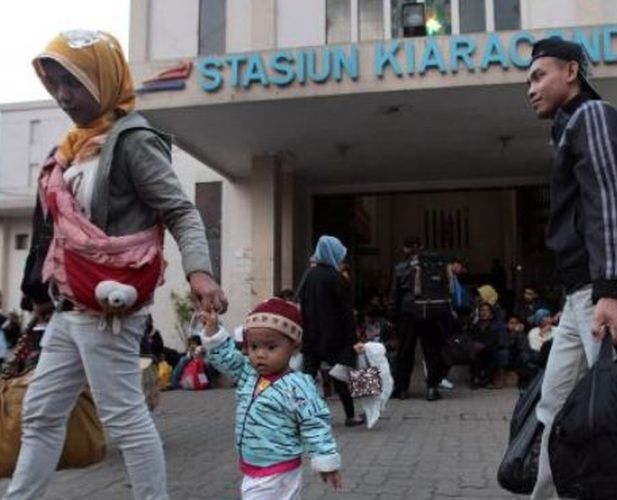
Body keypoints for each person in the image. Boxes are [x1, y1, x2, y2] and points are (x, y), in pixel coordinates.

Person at [5, 30, 226, 500]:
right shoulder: (66, 149)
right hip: (69, 306)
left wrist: (199, 271)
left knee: (123, 417)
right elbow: (54, 232)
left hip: (109, 306)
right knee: (42, 412)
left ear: (105, 80)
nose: (64, 96)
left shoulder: (131, 141)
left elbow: (181, 211)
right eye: (56, 83)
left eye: (76, 82)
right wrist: (41, 293)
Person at [525, 37, 617, 499]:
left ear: (572, 72)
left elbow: (609, 205)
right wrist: (582, 295)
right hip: (584, 291)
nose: (531, 88)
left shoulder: (592, 117)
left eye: (540, 75)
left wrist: (609, 291)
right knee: (554, 406)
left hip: (609, 288)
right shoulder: (572, 126)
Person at [200, 298, 342, 499]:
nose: (260, 355)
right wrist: (213, 331)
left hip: (279, 470)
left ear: (294, 347)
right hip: (253, 467)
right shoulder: (248, 373)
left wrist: (326, 460)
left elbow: (315, 424)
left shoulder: (297, 385)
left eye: (271, 347)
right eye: (254, 346)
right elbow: (227, 357)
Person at [298, 235, 365, 426]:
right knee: (343, 375)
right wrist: (354, 339)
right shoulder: (338, 278)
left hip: (311, 336)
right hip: (335, 337)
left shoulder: (308, 275)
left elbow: (299, 302)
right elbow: (346, 314)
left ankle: (300, 417)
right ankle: (354, 414)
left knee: (307, 378)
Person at [389, 236, 449, 401]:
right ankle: (431, 388)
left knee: (405, 352)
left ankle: (402, 389)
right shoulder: (435, 265)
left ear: (406, 249)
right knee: (431, 352)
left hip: (408, 314)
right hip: (430, 313)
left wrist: (393, 316)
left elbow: (395, 294)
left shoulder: (401, 268)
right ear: (421, 247)